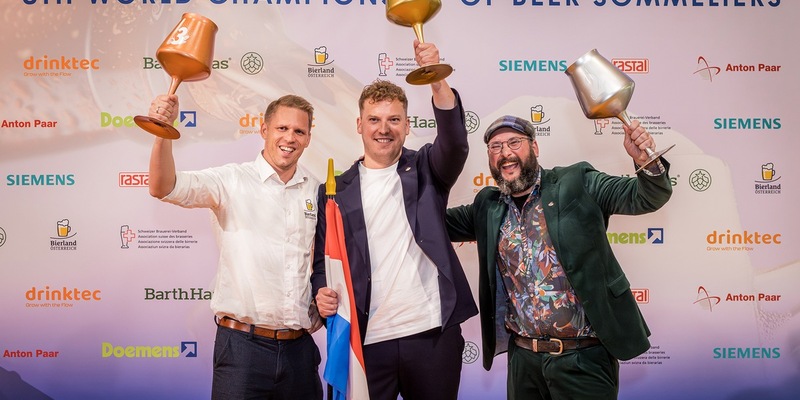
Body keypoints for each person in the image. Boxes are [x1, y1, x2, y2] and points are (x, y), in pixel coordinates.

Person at [446, 115, 673, 400]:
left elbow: (646, 196)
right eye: (495, 146)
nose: (505, 153)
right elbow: (434, 223)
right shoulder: (487, 205)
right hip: (524, 362)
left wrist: (646, 161)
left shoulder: (577, 182)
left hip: (583, 359)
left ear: (535, 147)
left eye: (514, 142)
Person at [311, 40, 478, 400]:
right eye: (374, 119)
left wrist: (436, 78)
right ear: (359, 125)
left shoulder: (427, 168)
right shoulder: (334, 191)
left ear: (407, 125)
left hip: (432, 335)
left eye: (394, 120)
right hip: (366, 341)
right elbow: (324, 262)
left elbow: (455, 142)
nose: (383, 128)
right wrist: (321, 293)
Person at [146, 93, 323, 400]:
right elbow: (163, 186)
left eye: (299, 131)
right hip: (242, 349)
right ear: (264, 130)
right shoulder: (231, 180)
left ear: (308, 138)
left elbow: (325, 260)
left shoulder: (316, 189)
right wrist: (163, 130)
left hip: (299, 351)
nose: (290, 138)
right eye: (282, 128)